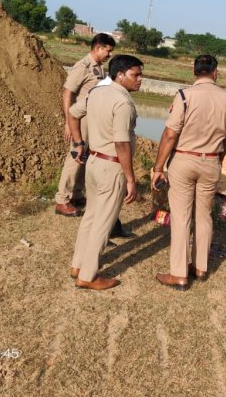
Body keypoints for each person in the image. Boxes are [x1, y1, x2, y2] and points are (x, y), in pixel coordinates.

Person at [151, 55, 226, 291]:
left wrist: (159, 167)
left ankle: (178, 274)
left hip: (184, 159)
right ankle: (200, 268)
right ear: (215, 72)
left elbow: (170, 134)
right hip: (211, 161)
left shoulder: (184, 96)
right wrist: (217, 158)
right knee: (204, 215)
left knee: (181, 217)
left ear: (194, 71)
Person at [67, 55, 143, 290]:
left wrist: (79, 142)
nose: (140, 80)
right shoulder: (123, 102)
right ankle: (88, 276)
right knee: (104, 221)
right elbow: (122, 143)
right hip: (111, 166)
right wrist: (130, 177)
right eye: (135, 75)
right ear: (120, 75)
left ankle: (78, 265)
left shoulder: (96, 92)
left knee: (91, 216)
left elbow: (72, 112)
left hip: (93, 162)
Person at [54, 33, 115, 217]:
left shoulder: (99, 69)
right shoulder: (83, 66)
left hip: (92, 120)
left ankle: (76, 194)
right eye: (108, 50)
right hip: (80, 120)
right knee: (75, 157)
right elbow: (68, 93)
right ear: (98, 47)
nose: (109, 54)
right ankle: (62, 200)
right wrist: (68, 120)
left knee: (84, 157)